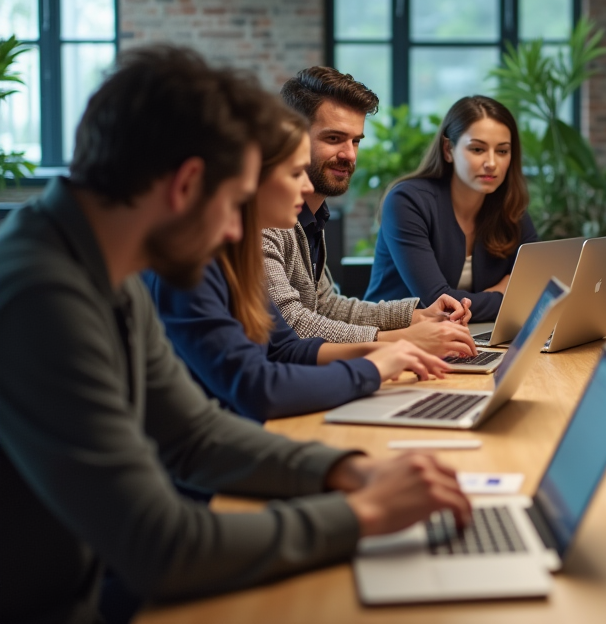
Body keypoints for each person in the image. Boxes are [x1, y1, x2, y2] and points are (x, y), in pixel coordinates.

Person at [0, 46, 469, 624]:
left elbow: (193, 434)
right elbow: (161, 548)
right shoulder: (40, 294)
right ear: (187, 184)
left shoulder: (104, 266)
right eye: (233, 204)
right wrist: (365, 514)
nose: (234, 231)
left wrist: (346, 470)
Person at [146, 102, 452, 423]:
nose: (306, 186)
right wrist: (374, 364)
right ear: (250, 179)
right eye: (295, 173)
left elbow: (285, 347)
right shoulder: (192, 267)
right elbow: (257, 387)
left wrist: (387, 350)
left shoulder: (237, 253)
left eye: (356, 141)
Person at [264, 67, 476, 356]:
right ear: (293, 137)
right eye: (334, 139)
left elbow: (326, 305)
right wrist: (406, 339)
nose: (350, 155)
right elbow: (292, 327)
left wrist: (418, 316)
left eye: (356, 141)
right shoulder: (266, 218)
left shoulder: (313, 217)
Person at [365, 95, 537, 321]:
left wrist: (512, 295)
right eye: (477, 149)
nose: (492, 163)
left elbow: (536, 287)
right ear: (448, 150)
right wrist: (502, 292)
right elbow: (441, 303)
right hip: (394, 339)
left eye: (502, 151)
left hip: (472, 336)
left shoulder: (510, 208)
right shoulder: (407, 201)